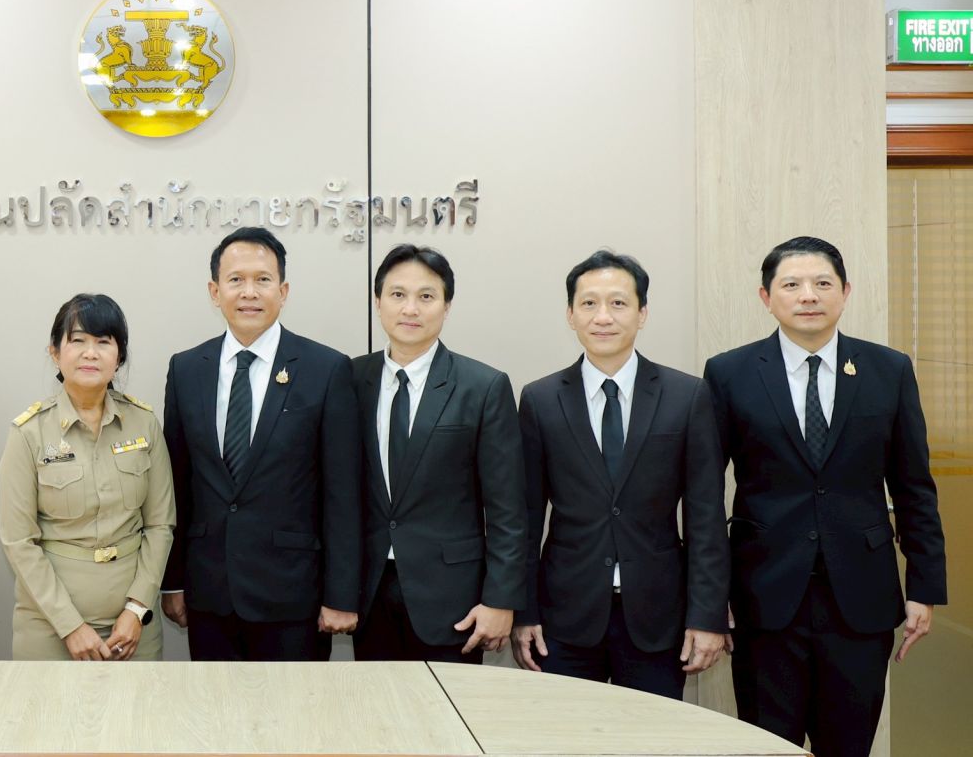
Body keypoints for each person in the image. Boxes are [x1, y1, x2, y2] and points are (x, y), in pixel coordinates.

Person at [706, 236, 945, 756]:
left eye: (822, 283)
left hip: (861, 598)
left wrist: (924, 586)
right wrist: (709, 597)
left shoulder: (889, 370)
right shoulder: (728, 373)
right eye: (792, 284)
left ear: (845, 292)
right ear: (766, 297)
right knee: (768, 747)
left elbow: (914, 487)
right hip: (764, 597)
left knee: (849, 746)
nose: (808, 295)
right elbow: (705, 495)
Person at [514, 250, 728, 699]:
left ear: (642, 313)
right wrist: (524, 612)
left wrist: (706, 616)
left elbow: (705, 517)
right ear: (570, 314)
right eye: (589, 303)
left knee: (652, 735)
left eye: (618, 303)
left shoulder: (687, 396)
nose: (603, 317)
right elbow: (526, 518)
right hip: (564, 618)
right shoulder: (540, 399)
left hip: (658, 616)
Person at [160, 226, 360, 660]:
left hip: (294, 596)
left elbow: (342, 493)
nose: (249, 292)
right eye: (236, 280)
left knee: (295, 705)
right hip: (209, 593)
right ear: (215, 292)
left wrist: (341, 594)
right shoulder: (187, 369)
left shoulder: (326, 369)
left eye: (263, 280)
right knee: (212, 703)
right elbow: (175, 485)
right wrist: (172, 581)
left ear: (283, 291)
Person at [353, 244, 526, 662]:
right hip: (367, 592)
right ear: (378, 302)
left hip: (453, 598)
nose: (410, 308)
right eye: (397, 294)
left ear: (446, 306)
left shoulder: (482, 387)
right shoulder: (351, 379)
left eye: (426, 296)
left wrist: (500, 599)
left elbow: (507, 509)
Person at [0, 293, 175, 660]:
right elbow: (18, 541)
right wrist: (70, 626)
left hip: (134, 625)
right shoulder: (29, 433)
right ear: (55, 352)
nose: (90, 353)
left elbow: (161, 526)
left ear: (119, 356)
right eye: (77, 341)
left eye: (103, 342)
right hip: (49, 624)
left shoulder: (143, 423)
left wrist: (137, 608)